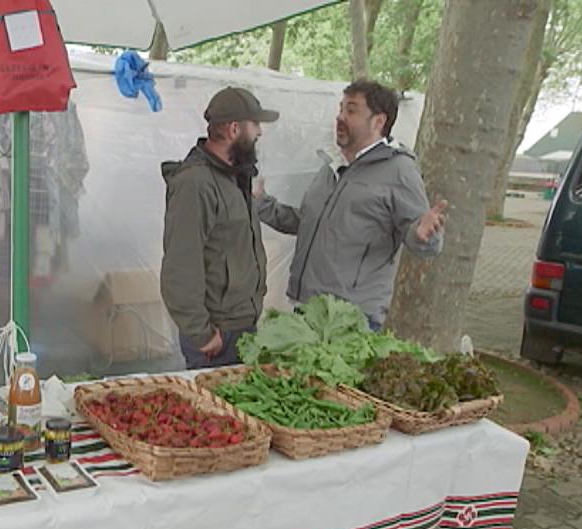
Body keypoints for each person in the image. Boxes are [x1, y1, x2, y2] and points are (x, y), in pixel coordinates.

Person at [256, 80, 446, 331]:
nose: (340, 117)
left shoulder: (399, 170)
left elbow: (421, 238)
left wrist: (423, 236)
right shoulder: (333, 166)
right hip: (308, 309)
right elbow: (306, 223)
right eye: (341, 108)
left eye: (351, 110)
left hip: (351, 319)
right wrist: (260, 202)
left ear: (378, 121)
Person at [160, 86, 279, 369]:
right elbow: (180, 266)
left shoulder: (234, 178)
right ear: (234, 129)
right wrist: (202, 334)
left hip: (241, 326)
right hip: (217, 335)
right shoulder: (195, 184)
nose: (260, 132)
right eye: (255, 124)